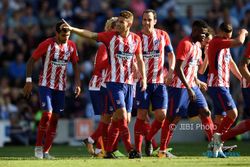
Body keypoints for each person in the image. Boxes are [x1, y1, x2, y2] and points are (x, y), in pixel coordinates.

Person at [62, 10, 147, 159]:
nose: (118, 24)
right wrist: (73, 29)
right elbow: (90, 34)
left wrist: (144, 78)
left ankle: (101, 146)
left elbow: (139, 59)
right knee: (119, 115)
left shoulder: (136, 39)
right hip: (112, 83)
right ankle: (130, 150)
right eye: (117, 21)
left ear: (129, 24)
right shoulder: (109, 38)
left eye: (121, 22)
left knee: (122, 118)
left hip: (128, 84)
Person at [23, 21, 81, 159]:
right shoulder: (47, 44)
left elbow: (76, 64)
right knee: (47, 114)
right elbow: (31, 60)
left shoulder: (71, 46)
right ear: (56, 33)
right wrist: (28, 81)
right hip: (45, 85)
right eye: (63, 35)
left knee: (55, 118)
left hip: (61, 87)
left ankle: (46, 151)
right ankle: (38, 147)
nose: (66, 37)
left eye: (68, 35)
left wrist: (77, 83)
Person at [158, 20, 215, 158]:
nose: (204, 36)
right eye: (202, 33)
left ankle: (215, 145)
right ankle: (162, 150)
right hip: (179, 87)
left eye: (205, 34)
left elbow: (199, 70)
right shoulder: (186, 44)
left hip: (192, 86)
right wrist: (189, 88)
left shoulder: (197, 46)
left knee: (205, 112)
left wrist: (206, 54)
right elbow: (178, 68)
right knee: (173, 118)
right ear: (194, 31)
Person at [133, 9, 175, 157]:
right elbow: (132, 58)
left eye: (149, 19)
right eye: (144, 19)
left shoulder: (163, 35)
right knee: (141, 115)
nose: (146, 22)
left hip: (159, 82)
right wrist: (136, 69)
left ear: (155, 21)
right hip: (142, 82)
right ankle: (137, 151)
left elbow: (171, 55)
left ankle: (149, 139)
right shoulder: (137, 37)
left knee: (161, 115)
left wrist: (170, 71)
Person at [207, 22, 248, 157]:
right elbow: (240, 41)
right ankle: (218, 141)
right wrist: (244, 31)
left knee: (220, 118)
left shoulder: (224, 44)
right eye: (225, 36)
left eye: (228, 37)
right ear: (220, 32)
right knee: (233, 114)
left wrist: (242, 77)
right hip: (217, 84)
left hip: (223, 85)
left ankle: (215, 149)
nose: (226, 39)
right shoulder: (217, 41)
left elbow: (230, 63)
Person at [84, 17, 117, 157]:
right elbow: (98, 66)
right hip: (99, 85)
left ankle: (98, 149)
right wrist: (113, 62)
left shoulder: (114, 45)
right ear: (110, 28)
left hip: (104, 84)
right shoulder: (105, 46)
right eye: (116, 27)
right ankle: (91, 141)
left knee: (108, 118)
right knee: (108, 117)